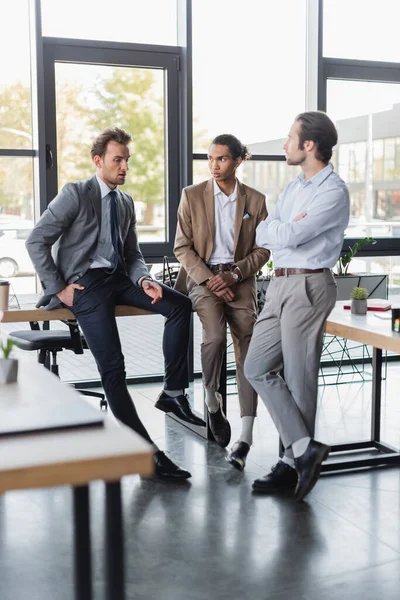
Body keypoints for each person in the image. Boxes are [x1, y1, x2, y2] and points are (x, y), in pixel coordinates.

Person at [26, 127, 206, 481]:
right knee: (114, 369)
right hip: (86, 287)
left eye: (127, 160)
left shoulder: (125, 203)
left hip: (120, 279)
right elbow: (36, 241)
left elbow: (133, 254)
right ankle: (147, 456)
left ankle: (172, 392)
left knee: (180, 306)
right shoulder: (75, 194)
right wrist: (59, 289)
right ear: (99, 161)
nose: (124, 167)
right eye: (117, 160)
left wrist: (144, 279)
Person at [244, 111, 350, 500]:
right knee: (256, 366)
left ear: (309, 145)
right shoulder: (294, 188)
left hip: (309, 285)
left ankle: (291, 464)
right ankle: (305, 450)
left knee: (299, 377)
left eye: (290, 138)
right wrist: (281, 231)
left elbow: (292, 232)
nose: (285, 145)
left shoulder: (332, 191)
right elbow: (266, 231)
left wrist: (282, 231)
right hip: (280, 284)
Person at [173, 134, 270, 470]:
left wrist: (233, 276)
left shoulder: (256, 201)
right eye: (211, 159)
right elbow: (182, 247)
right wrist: (211, 279)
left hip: (240, 282)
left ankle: (245, 434)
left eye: (222, 159)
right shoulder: (192, 195)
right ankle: (212, 402)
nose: (214, 166)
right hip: (203, 279)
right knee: (213, 337)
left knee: (249, 352)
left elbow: (264, 249)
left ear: (239, 160)